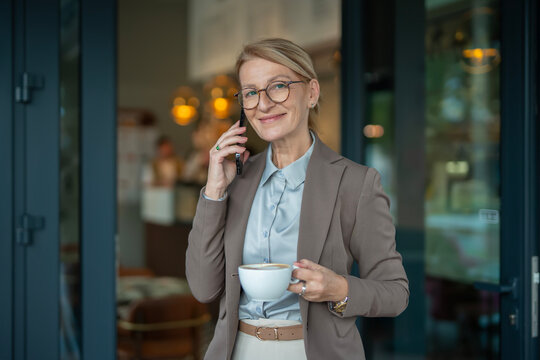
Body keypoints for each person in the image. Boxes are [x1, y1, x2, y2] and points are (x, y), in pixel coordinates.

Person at [186, 38, 409, 360]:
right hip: (237, 351)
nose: (263, 104)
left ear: (312, 93)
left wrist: (339, 289)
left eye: (278, 86)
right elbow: (203, 288)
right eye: (250, 92)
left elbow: (395, 293)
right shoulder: (236, 179)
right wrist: (214, 192)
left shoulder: (355, 183)